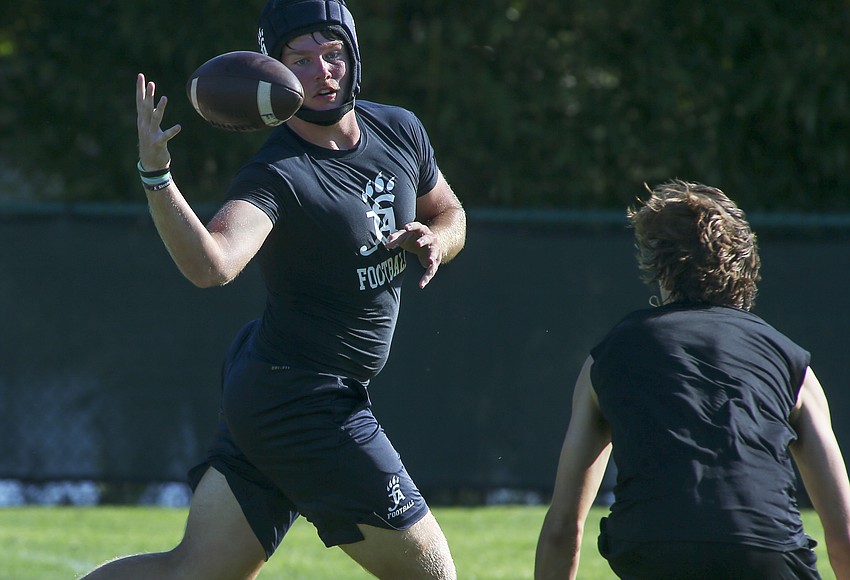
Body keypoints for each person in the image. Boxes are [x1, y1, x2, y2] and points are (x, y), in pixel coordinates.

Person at [84, 0, 465, 578]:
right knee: (432, 573)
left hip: (274, 386)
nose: (322, 71)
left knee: (190, 573)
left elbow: (451, 211)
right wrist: (157, 176)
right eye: (301, 59)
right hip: (303, 403)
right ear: (273, 71)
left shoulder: (399, 129)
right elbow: (212, 266)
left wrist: (437, 240)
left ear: (353, 56)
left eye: (332, 54)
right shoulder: (280, 173)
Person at [534, 180, 850, 579]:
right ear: (745, 267)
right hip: (765, 553)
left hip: (651, 549)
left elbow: (564, 527)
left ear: (661, 270)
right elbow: (845, 536)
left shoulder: (609, 357)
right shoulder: (790, 363)